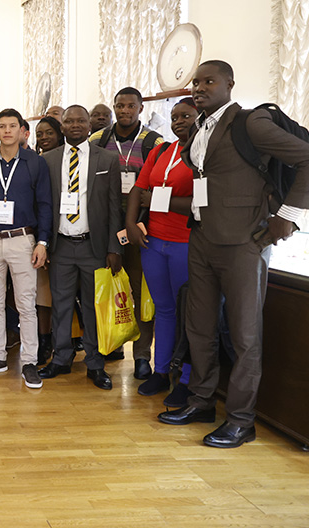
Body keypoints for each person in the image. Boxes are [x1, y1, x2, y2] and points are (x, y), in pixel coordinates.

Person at [157, 60, 309, 448]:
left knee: (245, 335)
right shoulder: (199, 128)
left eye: (209, 81)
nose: (199, 88)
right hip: (202, 239)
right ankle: (201, 402)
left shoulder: (250, 122)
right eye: (196, 82)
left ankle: (242, 421)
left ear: (229, 84)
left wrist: (287, 218)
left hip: (245, 243)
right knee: (199, 328)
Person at [37, 105, 122, 391]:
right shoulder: (48, 160)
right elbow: (44, 206)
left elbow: (114, 207)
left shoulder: (107, 159)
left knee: (92, 307)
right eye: (69, 121)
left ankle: (95, 363)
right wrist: (44, 243)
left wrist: (115, 248)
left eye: (80, 121)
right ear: (61, 126)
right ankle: (61, 358)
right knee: (60, 305)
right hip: (61, 245)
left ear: (89, 125)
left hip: (93, 246)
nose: (75, 125)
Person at [0, 109, 52, 388]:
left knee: (26, 304)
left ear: (22, 130)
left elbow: (45, 205)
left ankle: (29, 361)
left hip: (22, 239)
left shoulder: (35, 162)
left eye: (12, 126)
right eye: (1, 126)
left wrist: (42, 242)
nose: (6, 131)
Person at [125, 98, 198, 405]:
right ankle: (161, 371)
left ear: (201, 117)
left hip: (186, 244)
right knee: (164, 310)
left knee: (189, 314)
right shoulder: (160, 151)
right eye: (175, 117)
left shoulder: (203, 154)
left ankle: (186, 379)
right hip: (153, 242)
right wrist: (130, 224)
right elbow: (138, 190)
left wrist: (157, 200)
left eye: (186, 116)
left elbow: (200, 204)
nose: (179, 121)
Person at [90, 87, 164, 378]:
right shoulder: (98, 139)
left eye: (130, 106)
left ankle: (143, 355)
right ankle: (112, 344)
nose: (124, 111)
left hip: (140, 229)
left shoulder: (154, 142)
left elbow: (160, 184)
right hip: (104, 228)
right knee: (107, 289)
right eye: (120, 106)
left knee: (140, 293)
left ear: (140, 108)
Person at [32, 115, 65, 362]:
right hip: (41, 233)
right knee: (43, 295)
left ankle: (66, 339)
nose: (44, 137)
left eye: (49, 133)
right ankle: (45, 341)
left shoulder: (69, 158)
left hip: (67, 232)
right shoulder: (35, 161)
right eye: (39, 134)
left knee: (64, 294)